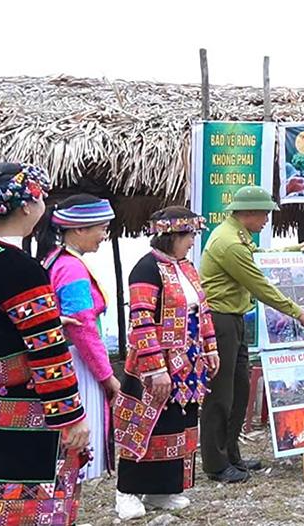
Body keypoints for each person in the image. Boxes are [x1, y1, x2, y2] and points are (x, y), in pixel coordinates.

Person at [0, 163, 90, 525]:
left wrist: (48, 321)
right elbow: (47, 352)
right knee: (27, 510)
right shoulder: (19, 268)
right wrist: (71, 418)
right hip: (22, 416)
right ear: (27, 205)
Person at [199, 186, 304, 483]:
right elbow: (260, 285)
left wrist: (296, 249)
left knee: (239, 390)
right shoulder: (230, 243)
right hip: (220, 321)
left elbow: (259, 256)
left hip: (234, 318)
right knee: (220, 393)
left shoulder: (237, 236)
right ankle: (215, 464)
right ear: (248, 212)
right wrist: (297, 311)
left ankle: (232, 455)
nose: (267, 220)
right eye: (265, 214)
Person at [112, 206, 219, 519]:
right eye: (188, 236)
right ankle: (127, 491)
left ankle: (163, 488)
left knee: (177, 425)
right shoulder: (145, 269)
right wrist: (156, 368)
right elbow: (141, 321)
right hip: (153, 366)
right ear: (169, 236)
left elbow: (204, 310)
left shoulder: (186, 267)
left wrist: (210, 348)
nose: (191, 242)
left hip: (188, 366)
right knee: (144, 425)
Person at [38, 194, 118, 481]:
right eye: (102, 228)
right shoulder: (71, 268)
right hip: (76, 365)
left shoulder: (53, 260)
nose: (104, 235)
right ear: (80, 229)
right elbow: (82, 326)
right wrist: (107, 376)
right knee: (75, 454)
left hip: (63, 359)